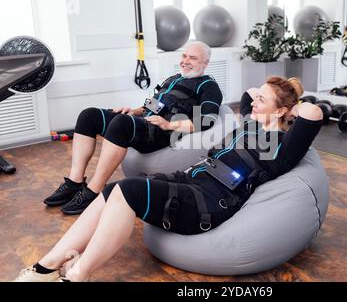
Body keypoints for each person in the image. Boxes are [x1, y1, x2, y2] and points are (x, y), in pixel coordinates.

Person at [13, 76, 323, 282]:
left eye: (264, 102)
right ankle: (48, 266)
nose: (254, 103)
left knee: (129, 191)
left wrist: (292, 106)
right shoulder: (248, 121)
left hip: (211, 202)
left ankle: (77, 275)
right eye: (258, 100)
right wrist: (270, 95)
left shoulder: (283, 148)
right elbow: (249, 94)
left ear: (283, 110)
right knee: (112, 191)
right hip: (190, 180)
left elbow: (313, 113)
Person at [44, 41, 223, 215]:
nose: (185, 61)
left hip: (163, 133)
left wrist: (169, 124)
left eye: (192, 58)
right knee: (89, 115)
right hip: (145, 122)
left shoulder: (208, 86)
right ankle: (75, 181)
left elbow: (207, 119)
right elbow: (153, 105)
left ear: (205, 63)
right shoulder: (173, 79)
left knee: (121, 123)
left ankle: (94, 191)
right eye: (184, 56)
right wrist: (134, 111)